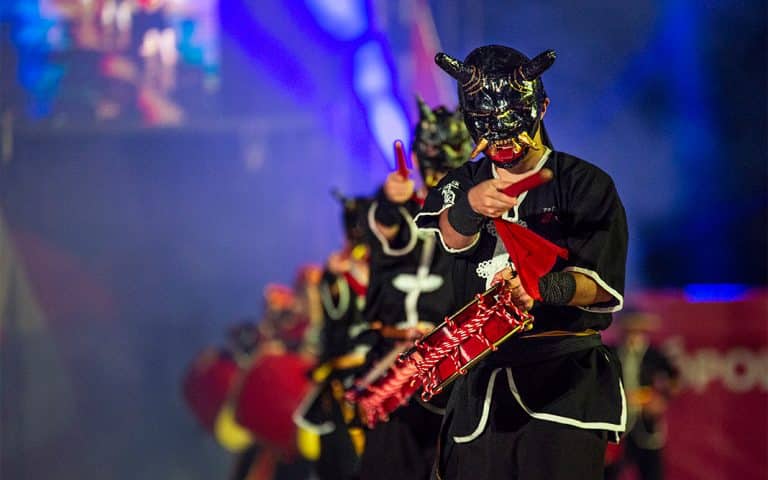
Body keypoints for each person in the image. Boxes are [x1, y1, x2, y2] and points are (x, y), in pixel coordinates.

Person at [414, 45, 629, 479]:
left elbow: (599, 284)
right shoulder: (461, 182)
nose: (501, 135)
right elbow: (451, 237)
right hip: (480, 391)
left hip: (562, 387)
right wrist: (471, 206)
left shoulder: (584, 183)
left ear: (541, 106)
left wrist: (542, 288)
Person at [356, 98, 471, 480]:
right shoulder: (401, 210)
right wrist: (391, 200)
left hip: (450, 364)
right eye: (434, 164)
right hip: (393, 365)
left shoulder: (476, 220)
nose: (440, 175)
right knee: (386, 465)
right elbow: (385, 228)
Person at [605, 310, 679, 480]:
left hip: (647, 423)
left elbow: (674, 379)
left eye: (638, 330)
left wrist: (662, 399)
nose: (633, 335)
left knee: (651, 470)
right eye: (629, 330)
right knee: (610, 471)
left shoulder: (653, 354)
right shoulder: (612, 352)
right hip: (619, 423)